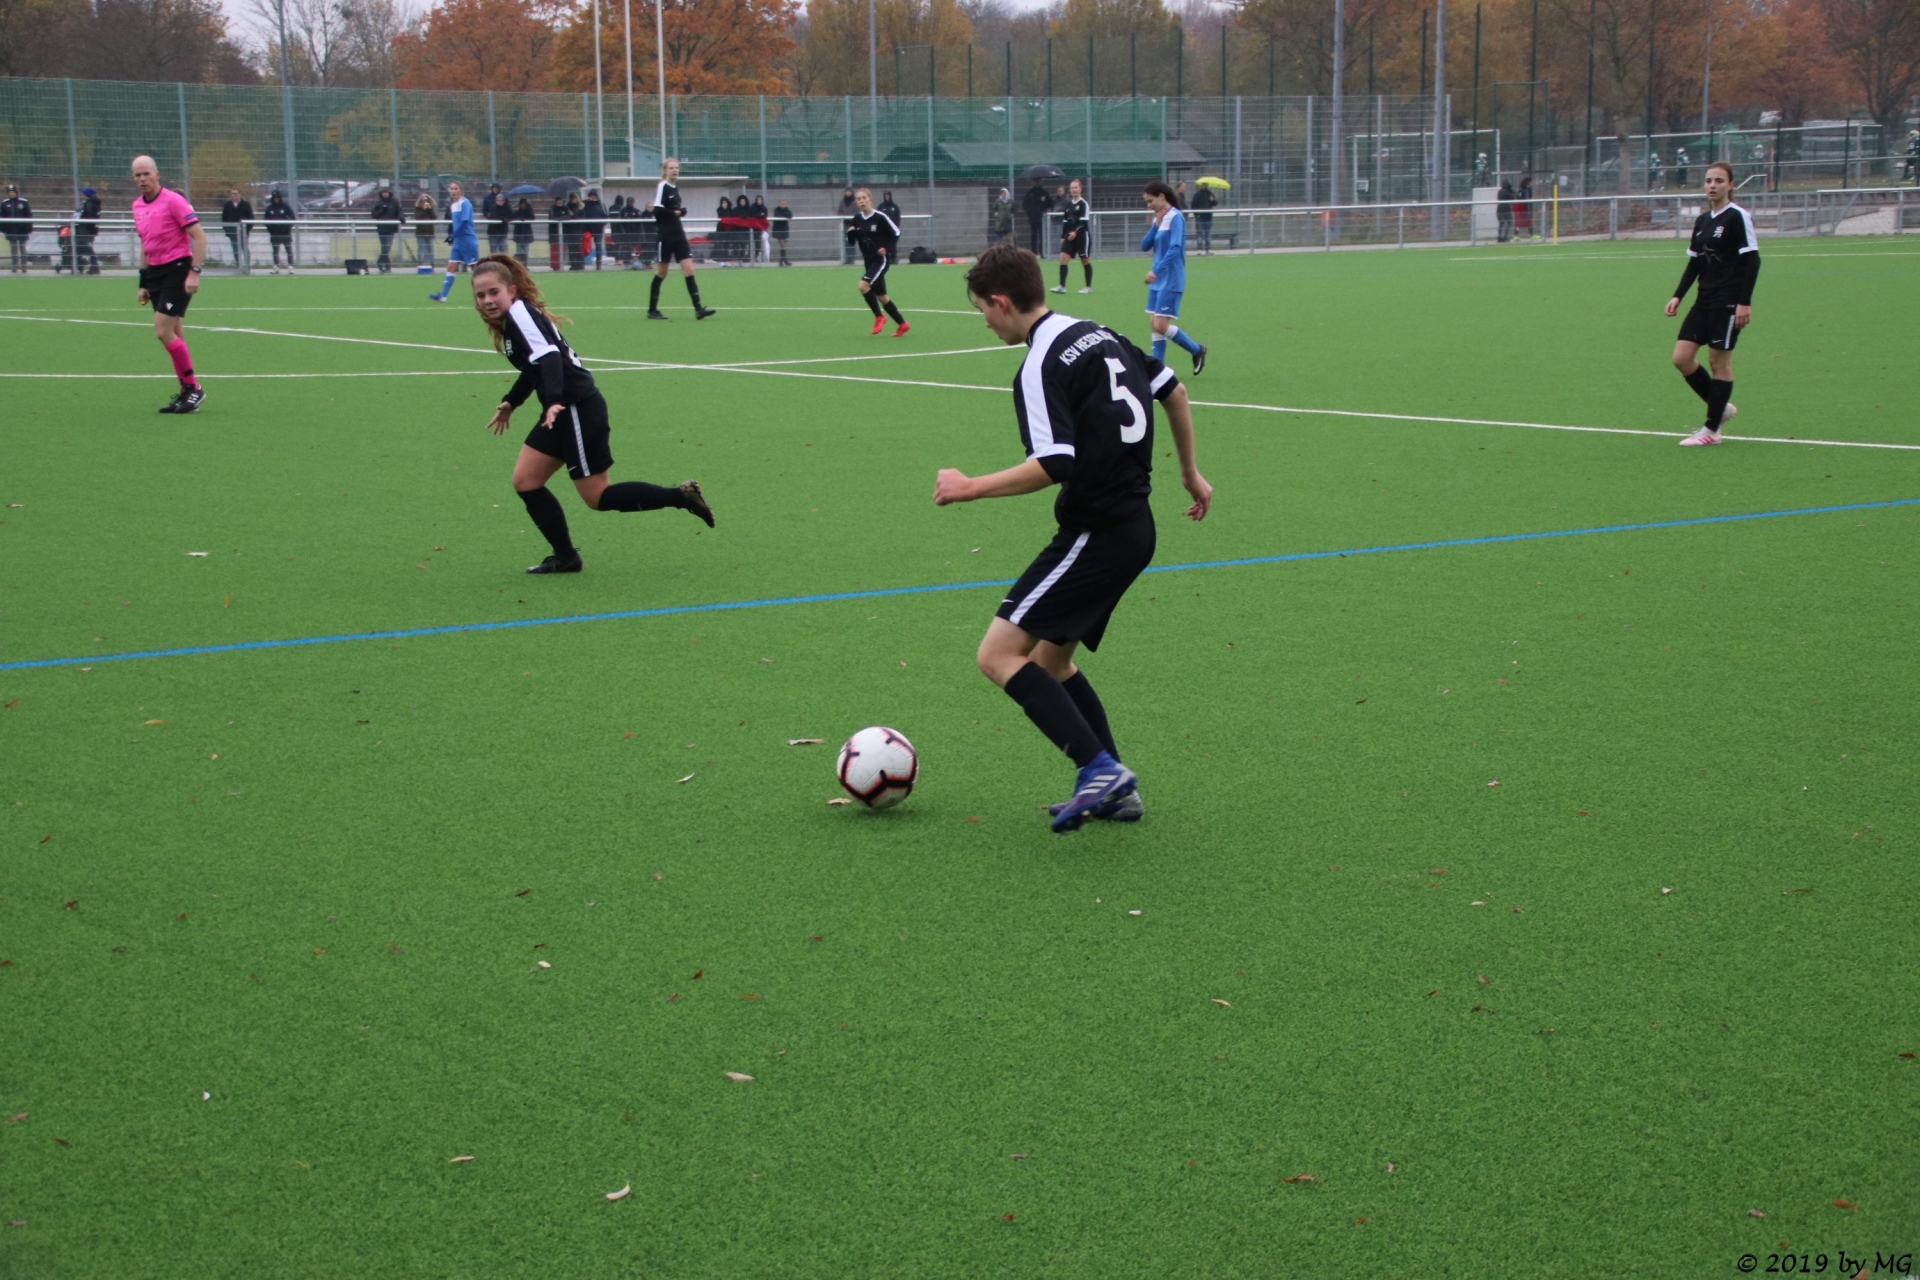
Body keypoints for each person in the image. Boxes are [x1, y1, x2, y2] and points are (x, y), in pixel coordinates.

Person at [933, 243, 1212, 832]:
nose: (983, 319)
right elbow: (1176, 392)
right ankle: (1116, 788)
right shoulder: (1099, 331)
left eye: (982, 307)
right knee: (1051, 660)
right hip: (1136, 527)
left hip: (1098, 531)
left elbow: (1054, 462)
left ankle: (1097, 769)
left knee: (997, 655)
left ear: (1002, 302)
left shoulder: (1038, 365)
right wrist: (1189, 472)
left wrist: (969, 487)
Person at [468, 255, 714, 574]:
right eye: (480, 295)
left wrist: (555, 399)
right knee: (526, 481)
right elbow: (534, 368)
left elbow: (551, 356)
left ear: (511, 290)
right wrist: (511, 402)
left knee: (597, 496)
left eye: (493, 292)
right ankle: (566, 557)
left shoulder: (519, 315)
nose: (487, 300)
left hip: (575, 408)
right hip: (560, 411)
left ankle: (680, 498)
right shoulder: (515, 319)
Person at [1666, 161, 1760, 447]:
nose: (1712, 185)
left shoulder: (1737, 217)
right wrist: (1678, 295)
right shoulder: (1703, 220)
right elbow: (1695, 262)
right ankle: (1721, 408)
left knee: (1718, 361)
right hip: (1703, 300)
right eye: (1708, 180)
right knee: (1681, 358)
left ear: (1730, 185)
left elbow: (1752, 259)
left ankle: (1711, 429)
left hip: (1728, 301)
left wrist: (1744, 303)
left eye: (1719, 181)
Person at [129, 155, 210, 414]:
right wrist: (143, 282)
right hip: (155, 273)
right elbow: (145, 244)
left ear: (157, 175)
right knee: (175, 333)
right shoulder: (137, 206)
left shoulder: (174, 200)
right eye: (137, 175)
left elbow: (199, 237)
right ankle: (188, 391)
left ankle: (195, 389)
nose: (142, 179)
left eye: (146, 174)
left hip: (177, 269)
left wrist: (194, 273)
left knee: (163, 331)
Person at [1139, 179, 1207, 375]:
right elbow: (1144, 246)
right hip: (1157, 281)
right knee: (1154, 325)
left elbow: (1176, 248)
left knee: (1160, 325)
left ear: (1162, 196)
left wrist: (1156, 271)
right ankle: (1157, 369)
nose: (1149, 206)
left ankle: (1197, 349)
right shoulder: (1159, 218)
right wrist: (1155, 225)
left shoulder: (1176, 217)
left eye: (1150, 201)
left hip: (1171, 279)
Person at [645, 158, 715, 320]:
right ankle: (652, 310)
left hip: (679, 235)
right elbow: (657, 210)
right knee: (662, 272)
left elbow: (673, 210)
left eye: (677, 168)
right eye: (671, 168)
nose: (675, 170)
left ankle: (698, 309)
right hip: (666, 236)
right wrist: (673, 213)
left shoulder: (675, 188)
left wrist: (680, 212)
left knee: (689, 269)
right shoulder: (663, 186)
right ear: (665, 170)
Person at [846, 187, 909, 338]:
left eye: (864, 198)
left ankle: (879, 317)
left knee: (863, 286)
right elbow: (852, 242)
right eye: (859, 199)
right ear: (856, 202)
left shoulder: (880, 217)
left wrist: (886, 248)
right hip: (868, 261)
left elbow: (896, 233)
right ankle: (902, 324)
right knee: (882, 297)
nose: (862, 201)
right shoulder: (857, 219)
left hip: (880, 261)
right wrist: (850, 234)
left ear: (870, 200)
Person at [429, 180, 478, 301]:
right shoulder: (453, 205)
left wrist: (453, 235)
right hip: (458, 241)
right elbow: (455, 223)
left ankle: (483, 294)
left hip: (467, 240)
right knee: (451, 267)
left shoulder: (465, 203)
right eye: (451, 189)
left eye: (456, 189)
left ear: (461, 191)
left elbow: (465, 222)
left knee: (475, 269)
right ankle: (443, 295)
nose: (453, 191)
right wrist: (453, 235)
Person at [1052, 177, 1093, 295]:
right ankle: (1062, 286)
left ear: (1080, 189)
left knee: (1084, 260)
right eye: (1072, 188)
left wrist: (1075, 232)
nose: (1073, 190)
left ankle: (1088, 286)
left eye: (1075, 188)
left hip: (1081, 236)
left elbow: (1083, 222)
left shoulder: (1084, 204)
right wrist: (1062, 236)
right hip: (1069, 236)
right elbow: (1065, 222)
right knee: (1063, 258)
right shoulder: (1068, 205)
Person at [369, 186, 403, 273]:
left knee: (387, 247)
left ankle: (380, 262)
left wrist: (401, 218)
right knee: (384, 247)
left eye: (386, 192)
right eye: (383, 192)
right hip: (381, 228)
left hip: (391, 228)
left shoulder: (394, 202)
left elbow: (399, 212)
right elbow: (373, 215)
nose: (385, 194)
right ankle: (386, 266)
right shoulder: (379, 202)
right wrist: (381, 211)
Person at [263, 189, 296, 273]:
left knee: (289, 250)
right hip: (275, 234)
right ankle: (276, 267)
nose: (276, 199)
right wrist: (271, 230)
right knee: (275, 251)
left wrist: (287, 228)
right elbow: (266, 221)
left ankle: (291, 267)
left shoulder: (286, 207)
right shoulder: (269, 208)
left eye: (277, 197)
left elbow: (293, 218)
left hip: (286, 233)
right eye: (275, 198)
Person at [2, 184, 33, 273]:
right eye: (10, 192)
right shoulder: (5, 203)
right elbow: (3, 216)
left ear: (16, 192)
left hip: (22, 231)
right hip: (11, 231)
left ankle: (24, 266)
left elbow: (29, 215)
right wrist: (3, 228)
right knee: (13, 249)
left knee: (23, 248)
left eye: (13, 192)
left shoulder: (24, 202)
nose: (11, 194)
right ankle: (14, 266)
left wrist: (29, 227)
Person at [74, 186, 101, 274]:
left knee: (88, 248)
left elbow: (88, 216)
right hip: (91, 229)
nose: (81, 195)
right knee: (88, 248)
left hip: (87, 230)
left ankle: (94, 266)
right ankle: (92, 266)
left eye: (83, 194)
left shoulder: (90, 204)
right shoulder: (92, 203)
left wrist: (81, 218)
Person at [1023, 178, 1051, 254]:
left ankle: (1042, 252)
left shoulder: (1044, 193)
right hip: (1033, 218)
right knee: (1033, 235)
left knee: (1043, 236)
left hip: (1042, 219)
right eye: (1036, 181)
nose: (1037, 183)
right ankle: (1034, 251)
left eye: (1038, 181)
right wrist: (1029, 212)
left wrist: (1047, 210)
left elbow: (1050, 203)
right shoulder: (1030, 193)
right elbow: (1025, 205)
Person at [482, 183, 510, 256]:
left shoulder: (505, 201)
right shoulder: (488, 199)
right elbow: (485, 211)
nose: (495, 189)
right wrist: (489, 216)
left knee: (503, 250)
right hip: (493, 230)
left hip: (502, 230)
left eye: (497, 187)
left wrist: (505, 219)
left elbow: (510, 213)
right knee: (493, 250)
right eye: (494, 187)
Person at [1190, 181, 1216, 253]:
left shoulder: (1210, 194)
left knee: (1208, 233)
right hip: (1200, 216)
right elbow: (1193, 205)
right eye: (1204, 185)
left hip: (1208, 216)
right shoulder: (1197, 194)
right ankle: (1199, 249)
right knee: (1200, 233)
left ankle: (1208, 248)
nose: (1205, 186)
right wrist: (1196, 214)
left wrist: (1212, 200)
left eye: (1206, 185)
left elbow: (1215, 203)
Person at [413, 191, 437, 268]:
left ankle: (432, 264)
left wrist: (429, 209)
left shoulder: (430, 209)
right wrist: (423, 209)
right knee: (421, 249)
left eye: (426, 201)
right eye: (423, 201)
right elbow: (418, 217)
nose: (425, 202)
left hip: (429, 232)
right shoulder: (417, 209)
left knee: (430, 249)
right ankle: (420, 264)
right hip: (420, 233)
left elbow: (434, 217)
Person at [512, 196, 536, 266]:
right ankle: (519, 265)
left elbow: (532, 218)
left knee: (525, 251)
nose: (523, 205)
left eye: (524, 204)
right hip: (518, 234)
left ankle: (525, 265)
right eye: (521, 204)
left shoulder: (529, 212)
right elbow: (513, 219)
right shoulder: (516, 212)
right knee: (519, 251)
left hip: (526, 234)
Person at [837, 186, 858, 263]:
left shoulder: (855, 202)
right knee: (845, 243)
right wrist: (843, 216)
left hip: (852, 225)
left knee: (851, 242)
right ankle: (846, 259)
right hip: (844, 225)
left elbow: (857, 212)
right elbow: (839, 211)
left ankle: (851, 259)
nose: (848, 193)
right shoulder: (842, 201)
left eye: (850, 191)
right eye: (847, 191)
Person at [547, 195, 567, 270]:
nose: (559, 203)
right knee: (554, 250)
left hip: (563, 233)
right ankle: (555, 266)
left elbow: (568, 216)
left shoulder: (565, 209)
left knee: (563, 249)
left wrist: (559, 219)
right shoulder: (552, 209)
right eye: (558, 202)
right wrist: (560, 219)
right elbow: (552, 218)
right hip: (554, 233)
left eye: (560, 202)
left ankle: (561, 264)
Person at [771, 197, 792, 265]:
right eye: (781, 204)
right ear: (779, 204)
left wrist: (784, 214)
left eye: (784, 204)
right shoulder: (776, 210)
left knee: (783, 245)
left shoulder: (787, 209)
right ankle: (784, 260)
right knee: (782, 244)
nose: (783, 205)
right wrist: (784, 215)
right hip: (778, 229)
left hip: (785, 229)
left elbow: (790, 215)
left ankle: (782, 260)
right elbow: (778, 215)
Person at [1496, 175, 1515, 242]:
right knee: (1509, 222)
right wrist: (1512, 191)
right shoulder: (1507, 191)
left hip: (1499, 208)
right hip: (1506, 208)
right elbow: (1512, 197)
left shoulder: (1500, 191)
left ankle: (1500, 237)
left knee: (1501, 223)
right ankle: (1506, 236)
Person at [715, 196, 734, 261]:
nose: (724, 204)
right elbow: (721, 216)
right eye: (723, 203)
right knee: (720, 243)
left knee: (727, 243)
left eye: (725, 202)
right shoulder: (719, 209)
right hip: (721, 228)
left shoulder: (730, 210)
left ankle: (726, 257)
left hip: (728, 229)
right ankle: (720, 257)